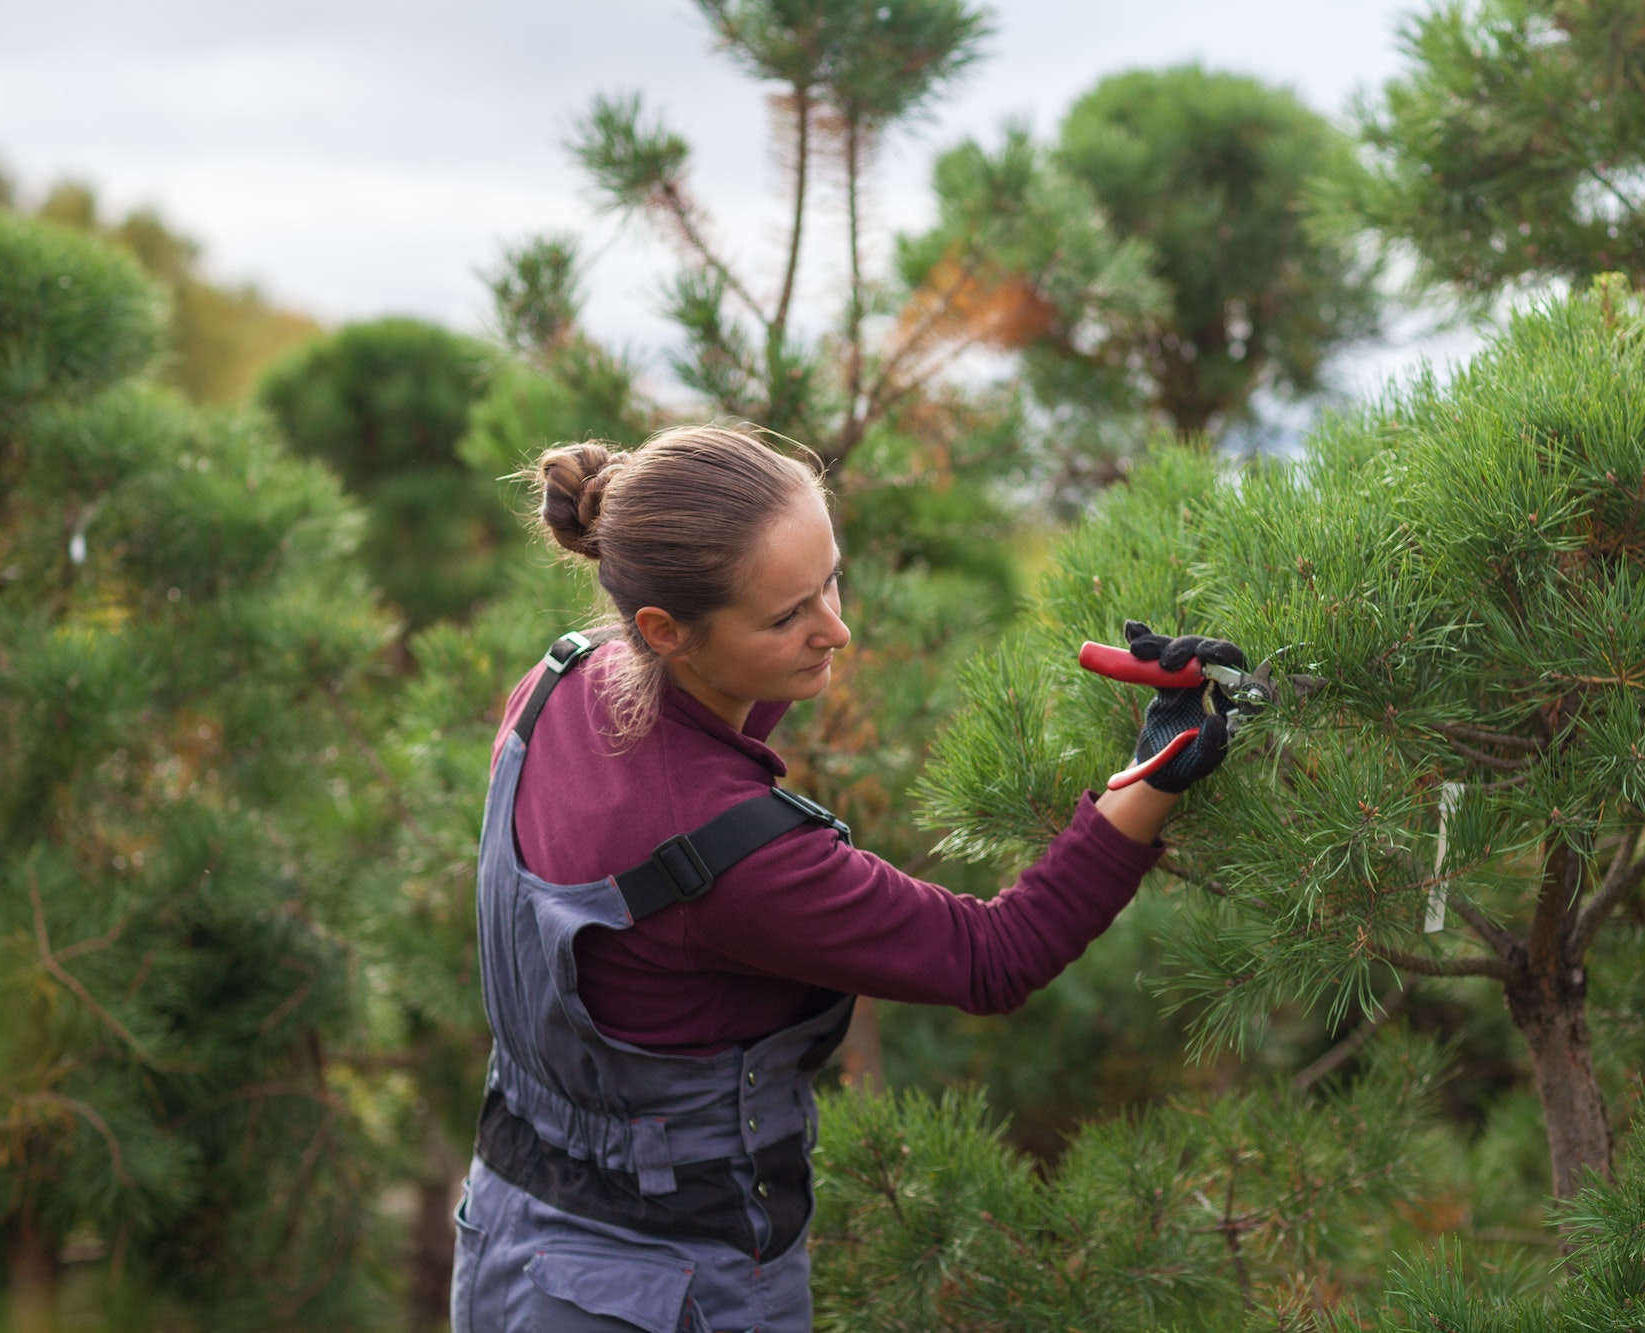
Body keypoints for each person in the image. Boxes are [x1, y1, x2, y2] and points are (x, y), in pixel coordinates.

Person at [449, 424, 1248, 1333]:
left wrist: (779, 632)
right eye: (788, 615)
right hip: (670, 1293)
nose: (838, 628)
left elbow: (690, 744)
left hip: (509, 1242)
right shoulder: (736, 858)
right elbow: (994, 955)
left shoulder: (554, 685)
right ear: (665, 631)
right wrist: (1155, 775)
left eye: (830, 578)